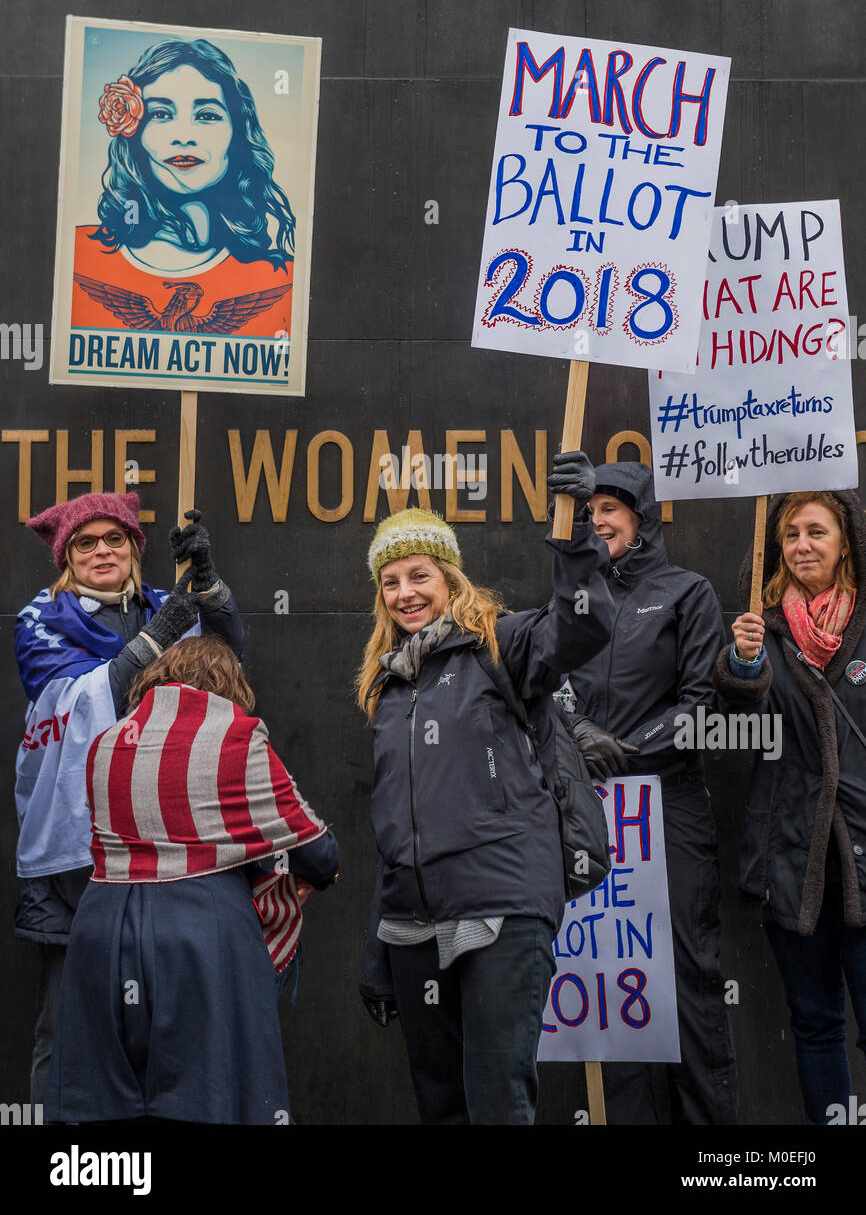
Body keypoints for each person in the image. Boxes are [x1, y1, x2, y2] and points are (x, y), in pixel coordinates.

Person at [357, 453, 616, 1126]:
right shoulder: (386, 690)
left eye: (420, 575)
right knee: (443, 1111)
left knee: (498, 1106)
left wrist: (578, 533)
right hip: (413, 923)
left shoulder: (502, 643)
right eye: (391, 582)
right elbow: (393, 828)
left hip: (503, 906)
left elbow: (584, 624)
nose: (406, 592)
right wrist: (377, 949)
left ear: (450, 577)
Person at [44, 635, 339, 1125]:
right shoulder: (239, 736)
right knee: (211, 1095)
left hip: (100, 929)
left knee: (104, 1102)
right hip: (202, 929)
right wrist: (307, 876)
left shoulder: (106, 742)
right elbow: (315, 848)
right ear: (231, 686)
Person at [14, 492, 243, 1103]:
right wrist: (155, 640)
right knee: (66, 1021)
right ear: (67, 559)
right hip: (77, 848)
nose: (103, 551)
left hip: (164, 837)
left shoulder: (169, 605)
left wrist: (210, 588)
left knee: (169, 1015)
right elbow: (95, 699)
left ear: (135, 549)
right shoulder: (43, 617)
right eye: (86, 543)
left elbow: (226, 659)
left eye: (115, 538)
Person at [560, 460, 737, 1125]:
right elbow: (543, 688)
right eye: (589, 510)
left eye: (611, 507)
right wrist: (576, 732)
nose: (598, 520)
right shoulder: (572, 595)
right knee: (610, 980)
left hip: (669, 809)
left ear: (641, 516)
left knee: (688, 979)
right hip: (590, 815)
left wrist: (622, 750)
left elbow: (702, 708)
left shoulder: (686, 592)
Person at [714, 489, 866, 1126]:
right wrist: (742, 664)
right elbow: (738, 718)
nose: (802, 545)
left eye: (816, 532)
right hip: (791, 856)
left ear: (844, 541)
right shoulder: (763, 627)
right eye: (790, 536)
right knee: (816, 1022)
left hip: (862, 848)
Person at [72, 37, 296, 349]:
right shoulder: (75, 257)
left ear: (237, 135)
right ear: (133, 134)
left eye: (206, 115)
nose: (183, 137)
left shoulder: (281, 281)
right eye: (160, 114)